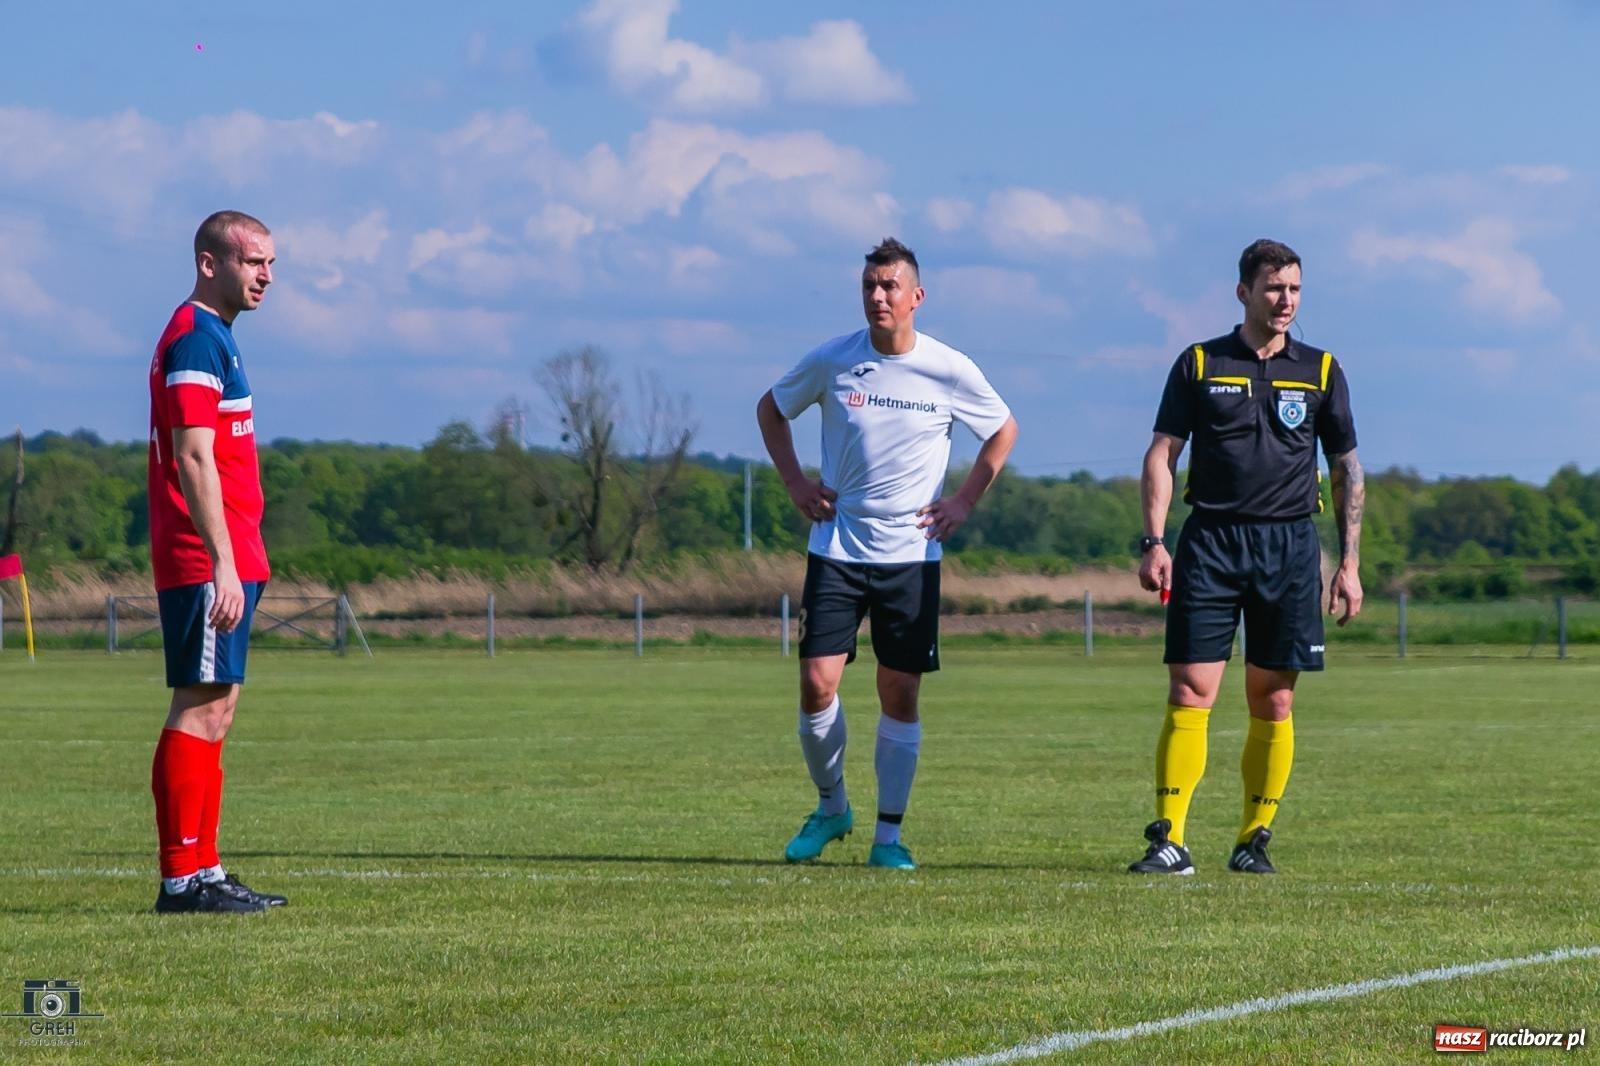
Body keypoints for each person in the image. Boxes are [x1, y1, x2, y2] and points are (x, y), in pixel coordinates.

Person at [756, 237, 1019, 870]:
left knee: (899, 693)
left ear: (916, 297)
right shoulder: (832, 361)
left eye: (890, 286)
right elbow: (771, 409)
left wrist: (963, 502)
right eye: (870, 286)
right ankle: (831, 807)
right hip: (838, 546)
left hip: (912, 556)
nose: (878, 296)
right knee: (818, 682)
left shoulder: (948, 368)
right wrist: (795, 482)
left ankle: (888, 838)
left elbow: (1003, 431)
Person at [1128, 238, 1363, 876]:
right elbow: (1161, 454)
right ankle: (1168, 839)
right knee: (1190, 688)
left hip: (1290, 546)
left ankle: (1253, 837)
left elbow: (1345, 470)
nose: (1285, 301)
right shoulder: (1200, 362)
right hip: (1211, 542)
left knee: (1274, 699)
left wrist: (1349, 563)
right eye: (1273, 289)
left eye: (1294, 290)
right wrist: (1154, 540)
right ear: (1244, 293)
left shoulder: (1320, 370)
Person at [146, 210, 287, 913]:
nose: (265, 276)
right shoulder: (194, 338)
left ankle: (206, 870)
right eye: (252, 261)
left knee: (218, 707)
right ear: (211, 263)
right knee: (198, 707)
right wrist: (223, 563)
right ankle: (182, 878)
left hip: (232, 555)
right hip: (206, 558)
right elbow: (193, 456)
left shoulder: (216, 338)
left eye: (270, 264)